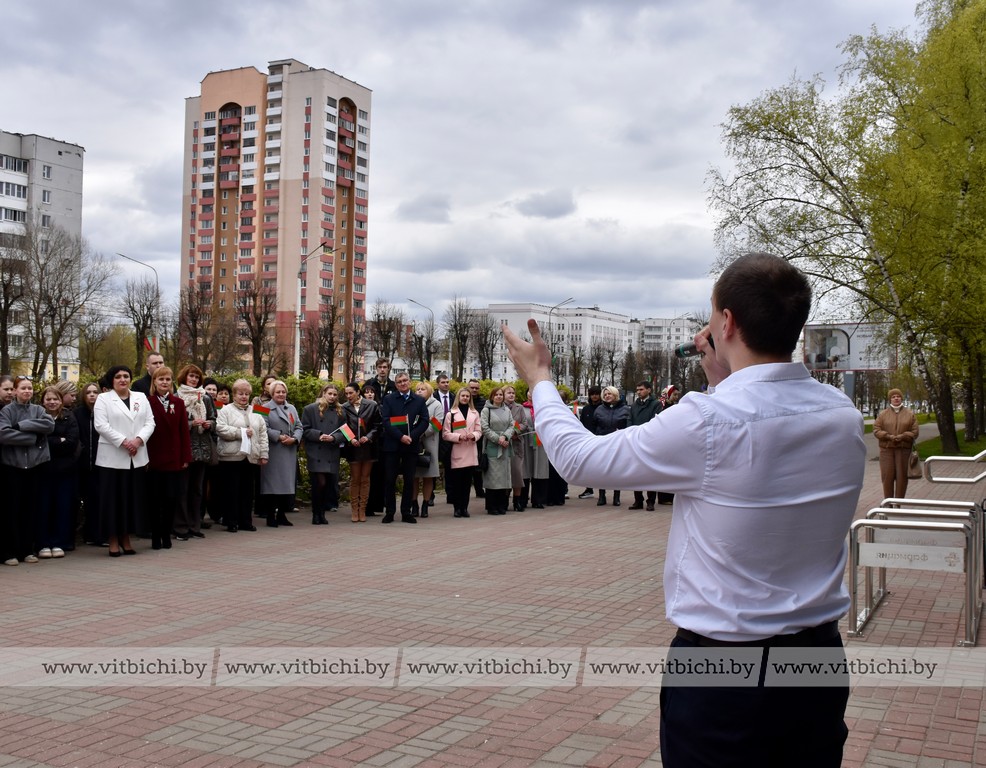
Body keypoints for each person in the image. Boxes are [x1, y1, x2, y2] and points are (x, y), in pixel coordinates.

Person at [503, 252, 866, 768]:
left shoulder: (709, 420)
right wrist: (727, 373)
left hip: (725, 672)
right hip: (817, 662)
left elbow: (579, 459)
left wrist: (539, 378)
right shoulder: (841, 414)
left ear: (727, 323)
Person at [93, 365, 156, 557]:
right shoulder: (104, 399)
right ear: (112, 381)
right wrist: (124, 442)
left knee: (130, 500)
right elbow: (101, 425)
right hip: (112, 458)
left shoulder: (140, 397)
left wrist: (138, 440)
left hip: (135, 458)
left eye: (126, 376)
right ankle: (112, 539)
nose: (123, 379)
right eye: (118, 377)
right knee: (113, 501)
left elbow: (150, 422)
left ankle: (126, 538)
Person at [0, 376, 55, 565]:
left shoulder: (38, 410)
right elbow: (3, 434)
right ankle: (10, 552)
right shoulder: (6, 411)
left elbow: (49, 425)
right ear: (15, 391)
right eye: (23, 388)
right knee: (12, 510)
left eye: (30, 388)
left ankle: (27, 550)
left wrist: (21, 426)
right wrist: (32, 437)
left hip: (35, 466)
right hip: (12, 466)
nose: (27, 391)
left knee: (30, 510)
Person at [146, 367, 193, 549]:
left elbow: (183, 432)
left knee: (171, 499)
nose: (164, 382)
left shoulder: (178, 403)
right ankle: (156, 536)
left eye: (167, 379)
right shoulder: (147, 402)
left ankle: (167, 534)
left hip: (174, 459)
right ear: (154, 382)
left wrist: (185, 456)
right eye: (161, 379)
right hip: (154, 458)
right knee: (155, 500)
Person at [215, 379, 269, 532]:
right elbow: (220, 429)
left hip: (250, 456)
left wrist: (263, 453)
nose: (244, 397)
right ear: (234, 394)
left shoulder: (257, 411)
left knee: (247, 491)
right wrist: (240, 433)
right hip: (230, 456)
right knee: (231, 490)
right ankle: (231, 521)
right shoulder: (226, 410)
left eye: (246, 394)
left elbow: (262, 434)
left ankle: (246, 521)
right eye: (240, 394)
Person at [378, 372, 430, 524]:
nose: (402, 383)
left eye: (405, 380)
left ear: (409, 382)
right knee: (389, 480)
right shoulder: (388, 399)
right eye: (399, 381)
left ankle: (406, 512)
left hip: (410, 445)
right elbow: (386, 421)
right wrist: (400, 436)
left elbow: (425, 421)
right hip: (392, 445)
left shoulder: (419, 400)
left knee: (409, 480)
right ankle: (390, 512)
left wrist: (412, 436)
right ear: (396, 384)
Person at [39, 385, 80, 558]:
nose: (52, 402)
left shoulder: (69, 417)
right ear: (43, 402)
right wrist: (58, 440)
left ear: (61, 400)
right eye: (48, 399)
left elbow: (71, 442)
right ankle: (43, 543)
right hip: (43, 469)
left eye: (55, 399)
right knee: (44, 507)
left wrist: (51, 441)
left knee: (63, 507)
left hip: (65, 470)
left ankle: (59, 542)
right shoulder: (38, 416)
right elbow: (37, 440)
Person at [176, 365, 217, 537]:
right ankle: (181, 527)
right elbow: (175, 424)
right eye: (191, 376)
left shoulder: (205, 398)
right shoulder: (177, 397)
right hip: (185, 449)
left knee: (197, 490)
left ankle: (195, 526)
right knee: (183, 490)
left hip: (202, 448)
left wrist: (209, 424)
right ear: (184, 377)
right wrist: (192, 424)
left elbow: (214, 419)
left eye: (196, 377)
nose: (193, 380)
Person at [260, 380, 303, 527]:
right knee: (272, 485)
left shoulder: (291, 407)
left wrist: (295, 438)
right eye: (278, 392)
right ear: (272, 393)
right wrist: (278, 436)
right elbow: (261, 428)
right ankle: (270, 516)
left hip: (289, 450)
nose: (281, 394)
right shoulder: (262, 408)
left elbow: (299, 426)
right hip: (273, 450)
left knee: (286, 484)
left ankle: (282, 515)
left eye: (283, 392)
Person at [302, 384, 345, 525]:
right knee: (319, 483)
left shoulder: (340, 411)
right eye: (330, 394)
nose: (332, 397)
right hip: (316, 451)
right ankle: (316, 513)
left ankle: (322, 513)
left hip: (331, 451)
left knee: (328, 485)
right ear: (324, 393)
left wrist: (334, 438)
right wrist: (319, 435)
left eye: (335, 394)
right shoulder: (310, 409)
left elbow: (346, 432)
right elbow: (305, 429)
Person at [341, 382, 381, 523]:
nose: (348, 396)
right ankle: (354, 509)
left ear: (358, 392)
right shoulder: (344, 407)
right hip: (353, 447)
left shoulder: (372, 405)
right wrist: (351, 439)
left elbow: (378, 425)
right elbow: (343, 425)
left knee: (365, 479)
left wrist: (368, 437)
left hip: (368, 447)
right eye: (346, 394)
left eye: (351, 393)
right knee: (355, 478)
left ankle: (362, 509)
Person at [441, 386, 482, 518]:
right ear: (458, 397)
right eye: (463, 396)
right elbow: (445, 434)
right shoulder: (450, 414)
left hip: (470, 449)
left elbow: (479, 430)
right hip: (457, 450)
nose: (465, 398)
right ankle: (457, 508)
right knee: (457, 482)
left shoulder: (475, 413)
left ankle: (465, 507)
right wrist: (458, 437)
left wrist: (474, 435)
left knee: (466, 482)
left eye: (467, 396)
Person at [873, 388, 919, 499]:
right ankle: (888, 503)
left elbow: (915, 432)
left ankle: (899, 503)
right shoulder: (883, 414)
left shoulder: (909, 414)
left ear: (901, 398)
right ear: (890, 399)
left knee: (902, 478)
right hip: (886, 450)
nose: (896, 398)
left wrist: (903, 436)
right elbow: (876, 430)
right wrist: (888, 436)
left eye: (898, 396)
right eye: (893, 397)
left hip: (903, 450)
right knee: (887, 477)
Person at [480, 386, 516, 515]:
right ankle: (492, 506)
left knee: (504, 477)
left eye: (501, 394)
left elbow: (512, 425)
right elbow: (484, 427)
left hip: (505, 445)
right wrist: (497, 439)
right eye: (497, 395)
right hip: (492, 445)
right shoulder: (486, 410)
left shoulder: (507, 410)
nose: (499, 397)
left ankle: (502, 505)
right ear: (492, 396)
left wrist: (505, 436)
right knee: (493, 477)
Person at [75, 382, 102, 547]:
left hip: (101, 464)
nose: (92, 395)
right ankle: (88, 534)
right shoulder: (77, 414)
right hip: (82, 465)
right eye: (88, 392)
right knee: (86, 500)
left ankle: (99, 534)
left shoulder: (104, 413)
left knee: (99, 500)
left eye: (95, 392)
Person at [411, 381, 443, 518]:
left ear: (429, 391)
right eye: (417, 389)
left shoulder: (436, 405)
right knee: (414, 477)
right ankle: (414, 505)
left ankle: (425, 505)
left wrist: (421, 433)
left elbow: (437, 424)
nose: (419, 391)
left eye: (422, 389)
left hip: (429, 443)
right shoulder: (412, 403)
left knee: (428, 476)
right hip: (413, 443)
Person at [592, 386, 628, 507]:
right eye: (605, 394)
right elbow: (594, 426)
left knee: (616, 470)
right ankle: (602, 496)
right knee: (602, 471)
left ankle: (616, 497)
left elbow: (628, 426)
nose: (607, 396)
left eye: (609, 394)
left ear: (615, 395)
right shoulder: (599, 410)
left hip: (618, 444)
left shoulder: (625, 409)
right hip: (602, 443)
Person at [628, 381, 660, 510]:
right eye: (637, 390)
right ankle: (638, 500)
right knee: (636, 473)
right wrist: (630, 432)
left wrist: (645, 433)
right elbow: (629, 419)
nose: (638, 392)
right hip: (635, 441)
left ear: (649, 390)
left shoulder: (656, 404)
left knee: (650, 473)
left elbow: (655, 421)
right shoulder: (634, 405)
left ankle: (651, 501)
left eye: (641, 389)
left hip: (649, 442)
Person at [504, 385, 531, 511]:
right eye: (508, 393)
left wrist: (515, 432)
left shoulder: (520, 408)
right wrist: (507, 434)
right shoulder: (499, 407)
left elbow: (525, 424)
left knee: (517, 474)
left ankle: (517, 501)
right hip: (503, 444)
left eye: (513, 393)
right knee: (505, 474)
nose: (511, 395)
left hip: (516, 444)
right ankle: (504, 500)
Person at [362, 382, 386, 517]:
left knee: (377, 477)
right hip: (362, 446)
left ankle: (374, 505)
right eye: (366, 392)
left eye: (372, 392)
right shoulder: (359, 408)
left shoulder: (380, 407)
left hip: (378, 446)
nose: (369, 394)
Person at [576, 386, 602, 499]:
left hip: (600, 440)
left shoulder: (603, 408)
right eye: (592, 394)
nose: (594, 396)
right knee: (587, 465)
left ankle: (602, 491)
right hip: (587, 440)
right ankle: (589, 488)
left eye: (596, 394)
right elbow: (581, 424)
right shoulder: (586, 409)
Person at [468, 379, 487, 499]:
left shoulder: (484, 402)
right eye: (472, 388)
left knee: (479, 465)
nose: (474, 390)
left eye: (476, 388)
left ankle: (479, 490)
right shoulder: (463, 400)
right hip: (465, 438)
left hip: (480, 437)